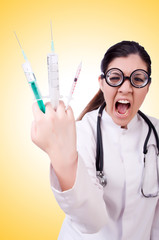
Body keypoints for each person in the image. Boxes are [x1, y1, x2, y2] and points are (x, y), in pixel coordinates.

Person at [31, 41, 159, 240]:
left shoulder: (156, 134)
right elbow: (91, 220)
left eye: (138, 79)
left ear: (148, 85)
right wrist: (61, 156)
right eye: (115, 78)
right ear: (101, 82)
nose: (126, 88)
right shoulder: (83, 132)